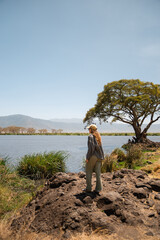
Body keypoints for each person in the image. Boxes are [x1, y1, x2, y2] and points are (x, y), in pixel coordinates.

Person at [84, 124, 104, 194]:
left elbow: (91, 148)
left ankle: (88, 188)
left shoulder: (90, 136)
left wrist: (87, 157)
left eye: (88, 129)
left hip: (93, 156)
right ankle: (98, 189)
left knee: (88, 171)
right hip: (99, 157)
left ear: (91, 130)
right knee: (98, 173)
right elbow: (101, 149)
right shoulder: (98, 136)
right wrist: (102, 157)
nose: (88, 130)